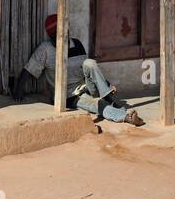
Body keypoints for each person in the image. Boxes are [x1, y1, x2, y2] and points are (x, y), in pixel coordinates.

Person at [14, 14, 144, 125]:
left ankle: (107, 95)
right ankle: (125, 116)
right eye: (57, 34)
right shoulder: (45, 49)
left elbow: (91, 70)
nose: (63, 35)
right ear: (52, 36)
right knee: (96, 105)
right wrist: (18, 89)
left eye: (65, 31)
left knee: (90, 62)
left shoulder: (76, 43)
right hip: (70, 95)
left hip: (87, 86)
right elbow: (28, 69)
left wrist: (106, 83)